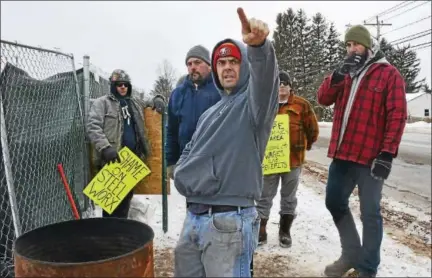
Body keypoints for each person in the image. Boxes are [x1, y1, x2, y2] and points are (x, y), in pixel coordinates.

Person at [172, 8, 279, 277]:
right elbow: (190, 149)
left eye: (234, 61)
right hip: (194, 217)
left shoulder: (254, 107)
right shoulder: (211, 112)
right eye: (221, 63)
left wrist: (259, 49)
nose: (227, 67)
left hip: (229, 221)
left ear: (243, 66)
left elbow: (265, 82)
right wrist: (181, 171)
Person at [317, 25, 407, 277]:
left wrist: (387, 154)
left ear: (368, 46)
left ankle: (367, 268)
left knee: (370, 213)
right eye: (347, 45)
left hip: (371, 158)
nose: (351, 49)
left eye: (356, 45)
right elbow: (323, 98)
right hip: (343, 155)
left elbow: (398, 115)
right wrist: (336, 74)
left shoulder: (388, 74)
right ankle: (351, 254)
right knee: (334, 202)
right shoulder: (346, 73)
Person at [86, 69, 166, 218]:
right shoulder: (102, 103)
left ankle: (120, 236)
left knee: (126, 201)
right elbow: (93, 126)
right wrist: (105, 147)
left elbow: (149, 100)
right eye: (119, 84)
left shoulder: (134, 102)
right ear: (112, 86)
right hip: (112, 160)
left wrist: (157, 99)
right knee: (111, 206)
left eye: (125, 85)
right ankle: (109, 237)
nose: (123, 87)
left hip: (131, 160)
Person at [257, 70, 319, 248]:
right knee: (264, 196)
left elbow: (312, 130)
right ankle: (261, 230)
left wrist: (305, 146)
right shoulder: (265, 105)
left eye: (285, 83)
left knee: (289, 198)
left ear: (290, 86)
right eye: (279, 83)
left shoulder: (302, 105)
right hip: (270, 160)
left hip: (293, 161)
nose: (282, 86)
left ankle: (285, 230)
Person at [165, 45, 221, 179]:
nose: (192, 67)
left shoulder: (221, 89)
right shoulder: (178, 94)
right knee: (191, 199)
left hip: (216, 164)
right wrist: (171, 161)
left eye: (197, 62)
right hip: (187, 162)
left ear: (209, 65)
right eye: (189, 64)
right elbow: (172, 130)